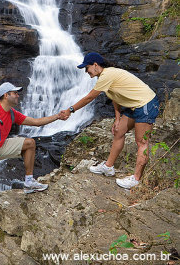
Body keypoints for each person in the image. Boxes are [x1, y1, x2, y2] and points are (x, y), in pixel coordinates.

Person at [0, 82, 64, 249]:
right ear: (6, 95)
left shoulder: (11, 113)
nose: (18, 95)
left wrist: (57, 116)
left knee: (30, 143)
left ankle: (29, 181)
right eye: (15, 93)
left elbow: (35, 122)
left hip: (1, 146)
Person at [60, 52, 159, 190]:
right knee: (119, 131)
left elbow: (89, 98)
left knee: (141, 142)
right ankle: (108, 167)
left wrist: (70, 110)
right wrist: (117, 118)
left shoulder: (107, 75)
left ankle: (136, 179)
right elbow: (115, 96)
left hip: (146, 103)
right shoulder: (105, 77)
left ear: (95, 65)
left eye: (86, 67)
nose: (86, 71)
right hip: (134, 105)